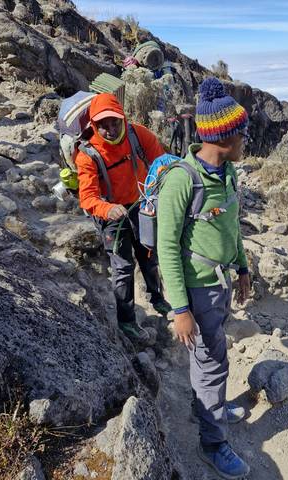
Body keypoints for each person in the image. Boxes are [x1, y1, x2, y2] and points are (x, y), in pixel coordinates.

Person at [157, 77, 251, 479]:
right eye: (242, 133)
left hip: (221, 282)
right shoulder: (183, 179)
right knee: (212, 362)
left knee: (212, 354)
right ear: (224, 137)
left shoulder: (226, 172)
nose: (247, 139)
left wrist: (243, 266)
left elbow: (232, 225)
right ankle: (213, 443)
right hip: (197, 288)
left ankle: (208, 408)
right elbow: (167, 249)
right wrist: (180, 308)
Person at [75, 93, 171, 343]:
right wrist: (108, 209)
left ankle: (157, 297)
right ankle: (127, 321)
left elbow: (161, 163)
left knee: (149, 253)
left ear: (123, 118)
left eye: (115, 122)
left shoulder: (138, 135)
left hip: (141, 203)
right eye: (103, 124)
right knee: (123, 267)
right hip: (112, 214)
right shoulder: (88, 154)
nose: (110, 129)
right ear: (94, 124)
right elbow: (87, 198)